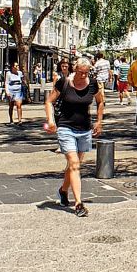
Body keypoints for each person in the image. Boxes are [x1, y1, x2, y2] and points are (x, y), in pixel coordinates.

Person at [44, 56, 105, 219]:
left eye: (86, 73)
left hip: (84, 130)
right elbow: (49, 101)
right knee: (75, 164)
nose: (84, 76)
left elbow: (100, 102)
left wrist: (99, 121)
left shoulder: (93, 84)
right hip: (66, 128)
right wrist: (50, 120)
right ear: (75, 69)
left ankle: (63, 190)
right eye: (81, 72)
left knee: (73, 166)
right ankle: (78, 203)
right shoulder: (63, 83)